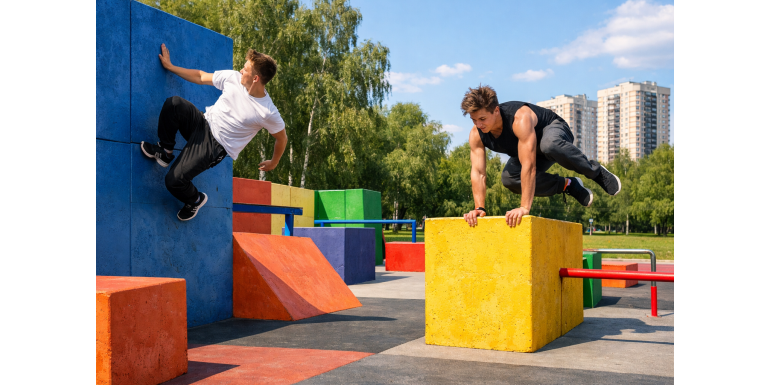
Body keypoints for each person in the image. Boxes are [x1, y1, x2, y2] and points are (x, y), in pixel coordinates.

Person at [140, 44, 287, 221]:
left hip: (214, 147)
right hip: (203, 123)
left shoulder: (267, 111)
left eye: (245, 68)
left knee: (173, 181)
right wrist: (171, 67)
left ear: (255, 78)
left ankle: (195, 199)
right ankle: (165, 152)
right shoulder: (233, 78)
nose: (241, 70)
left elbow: (281, 138)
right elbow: (201, 76)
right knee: (174, 104)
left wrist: (274, 162)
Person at [460, 85, 621, 228]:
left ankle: (595, 172)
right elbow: (478, 172)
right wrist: (479, 208)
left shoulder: (519, 118)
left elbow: (529, 166)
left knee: (549, 144)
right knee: (510, 179)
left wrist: (524, 207)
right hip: (528, 150)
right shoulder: (476, 134)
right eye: (474, 120)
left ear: (496, 111)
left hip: (553, 131)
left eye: (482, 119)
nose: (479, 125)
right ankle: (568, 185)